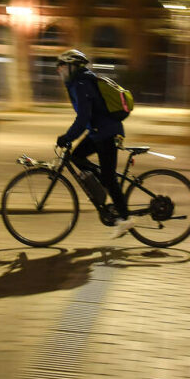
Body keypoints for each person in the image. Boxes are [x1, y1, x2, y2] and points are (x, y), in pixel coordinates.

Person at [54, 49, 135, 239]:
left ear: (72, 66)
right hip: (97, 132)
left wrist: (67, 137)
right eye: (59, 68)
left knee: (108, 177)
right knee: (76, 156)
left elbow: (83, 118)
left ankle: (125, 218)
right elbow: (85, 118)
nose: (60, 71)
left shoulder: (81, 84)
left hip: (107, 132)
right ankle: (103, 190)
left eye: (63, 66)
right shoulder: (78, 82)